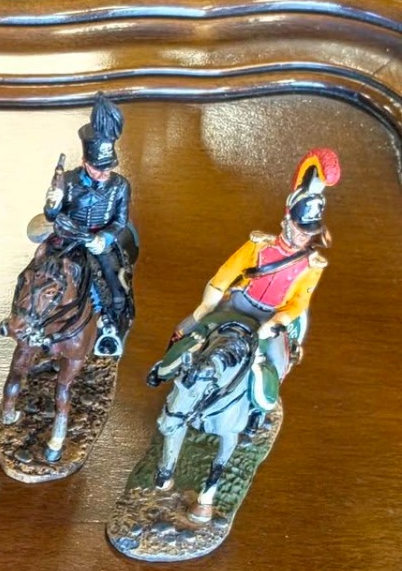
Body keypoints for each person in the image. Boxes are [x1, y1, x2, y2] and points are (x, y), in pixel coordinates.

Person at [157, 147, 338, 420]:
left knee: (277, 363)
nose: (304, 237)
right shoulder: (258, 246)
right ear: (288, 221)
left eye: (308, 232)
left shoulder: (312, 266)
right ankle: (164, 371)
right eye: (300, 229)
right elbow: (226, 273)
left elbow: (300, 301)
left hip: (269, 316)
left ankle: (256, 414)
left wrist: (277, 322)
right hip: (239, 303)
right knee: (187, 329)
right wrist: (207, 304)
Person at [33, 93, 137, 355]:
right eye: (97, 168)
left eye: (107, 169)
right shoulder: (68, 181)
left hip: (99, 241)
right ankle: (30, 320)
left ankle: (109, 328)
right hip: (67, 238)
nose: (103, 174)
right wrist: (53, 202)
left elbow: (120, 220)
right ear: (85, 163)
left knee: (115, 287)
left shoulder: (120, 186)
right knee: (36, 277)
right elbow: (52, 216)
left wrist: (104, 238)